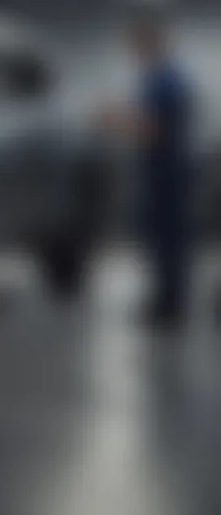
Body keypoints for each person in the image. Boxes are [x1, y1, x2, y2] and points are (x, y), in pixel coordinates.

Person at [101, 20, 194, 330]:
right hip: (168, 168)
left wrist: (114, 120)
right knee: (167, 239)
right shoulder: (167, 79)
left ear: (149, 45)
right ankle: (169, 301)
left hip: (164, 170)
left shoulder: (161, 81)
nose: (133, 54)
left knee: (165, 239)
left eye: (136, 47)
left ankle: (168, 306)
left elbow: (151, 131)